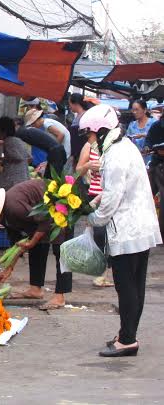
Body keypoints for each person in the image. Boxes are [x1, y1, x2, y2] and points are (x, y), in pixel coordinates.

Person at [79, 104, 162, 357]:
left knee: (125, 286)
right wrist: (95, 203)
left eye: (89, 135)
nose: (89, 140)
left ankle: (127, 340)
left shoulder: (115, 155)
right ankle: (127, 334)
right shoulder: (126, 147)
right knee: (135, 285)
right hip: (141, 226)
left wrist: (91, 218)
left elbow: (113, 198)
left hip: (127, 228)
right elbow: (119, 189)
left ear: (101, 131)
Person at [0, 181, 72, 310]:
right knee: (36, 245)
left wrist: (32, 241)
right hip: (42, 212)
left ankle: (59, 296)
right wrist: (8, 269)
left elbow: (45, 219)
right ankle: (35, 290)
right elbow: (18, 244)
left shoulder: (13, 207)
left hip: (59, 206)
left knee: (60, 250)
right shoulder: (5, 215)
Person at [76, 134, 111, 287]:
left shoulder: (115, 146)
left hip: (112, 194)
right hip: (95, 194)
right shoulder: (89, 146)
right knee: (99, 234)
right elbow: (78, 170)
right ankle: (100, 273)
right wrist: (88, 165)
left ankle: (106, 274)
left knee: (112, 235)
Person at [68, 93, 93, 163]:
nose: (69, 106)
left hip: (82, 152)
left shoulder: (86, 116)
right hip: (77, 153)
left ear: (75, 103)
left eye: (70, 103)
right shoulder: (77, 116)